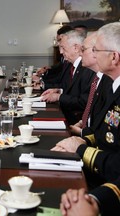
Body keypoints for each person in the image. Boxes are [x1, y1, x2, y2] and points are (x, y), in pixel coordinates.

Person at [51, 22, 120, 187]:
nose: (93, 55)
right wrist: (81, 140)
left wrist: (80, 148)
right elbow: (105, 135)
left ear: (114, 57)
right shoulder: (111, 84)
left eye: (96, 50)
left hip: (107, 180)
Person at [41, 30, 94, 125]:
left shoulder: (88, 69)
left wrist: (59, 97)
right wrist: (59, 91)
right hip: (67, 113)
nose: (61, 52)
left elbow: (83, 101)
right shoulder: (72, 65)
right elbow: (70, 88)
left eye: (63, 48)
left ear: (76, 48)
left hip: (75, 120)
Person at [70, 32, 113, 136]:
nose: (80, 54)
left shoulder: (110, 83)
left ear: (95, 52)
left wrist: (83, 133)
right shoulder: (97, 78)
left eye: (83, 50)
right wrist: (84, 121)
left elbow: (110, 127)